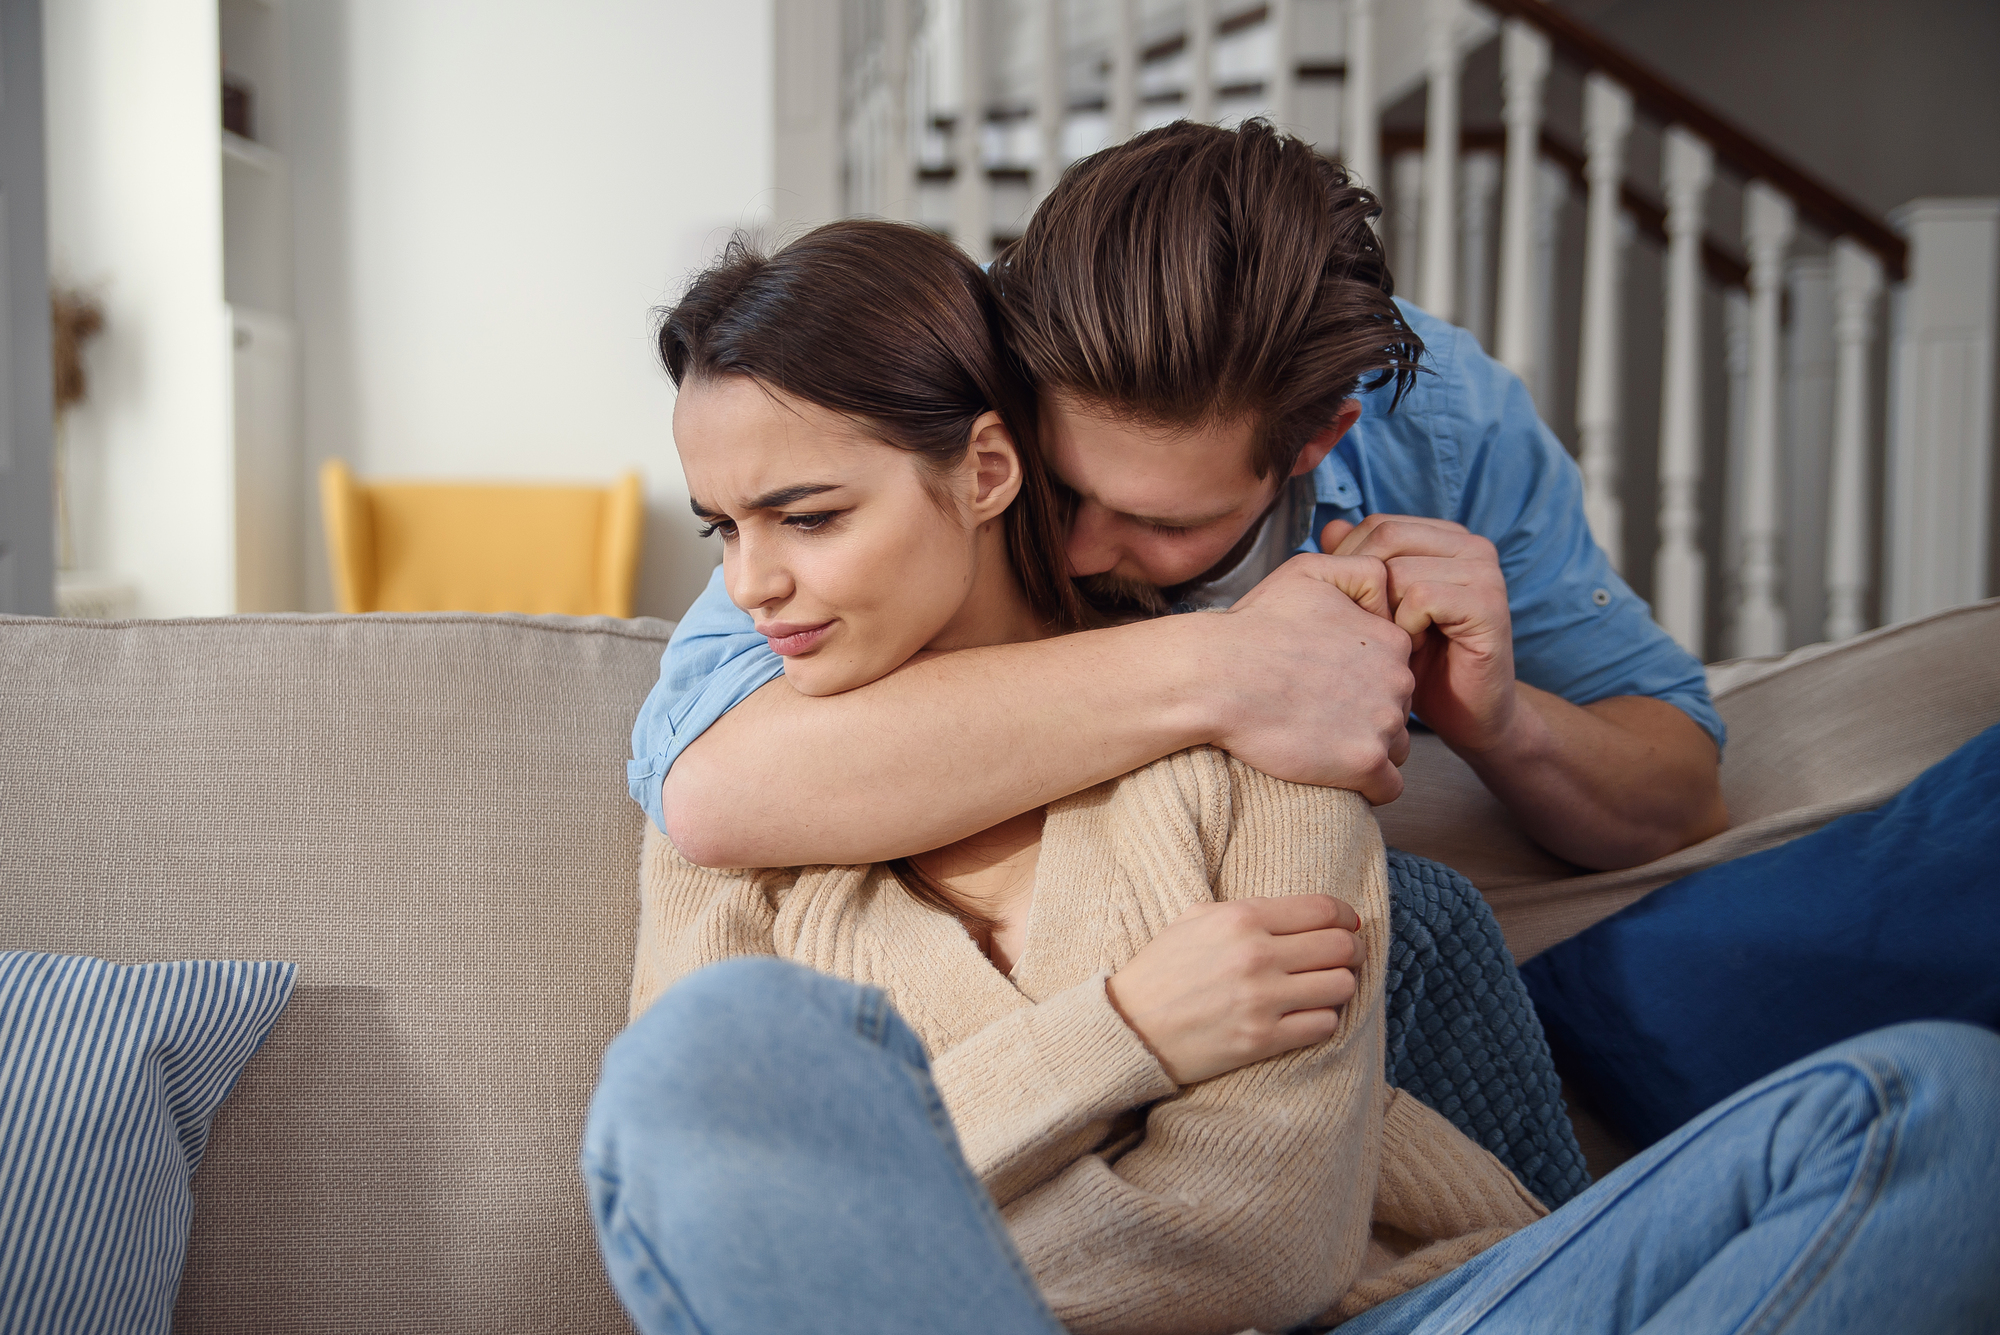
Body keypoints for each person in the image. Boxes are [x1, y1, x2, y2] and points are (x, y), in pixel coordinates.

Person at [584, 219, 2000, 1335]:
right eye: (721, 527)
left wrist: (882, 1215)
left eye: (809, 516)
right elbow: (717, 1181)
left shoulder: (1267, 742)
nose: (754, 579)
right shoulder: (740, 767)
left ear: (990, 470)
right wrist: (1123, 1032)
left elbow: (1255, 1243)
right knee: (699, 1063)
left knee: (1936, 1103)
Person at [631, 119, 1728, 885]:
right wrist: (1232, 670)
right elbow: (717, 786)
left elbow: (1678, 798)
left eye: (1160, 523)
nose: (1078, 547)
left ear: (1313, 444)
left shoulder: (1441, 429)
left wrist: (1501, 725)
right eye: (1059, 487)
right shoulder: (941, 373)